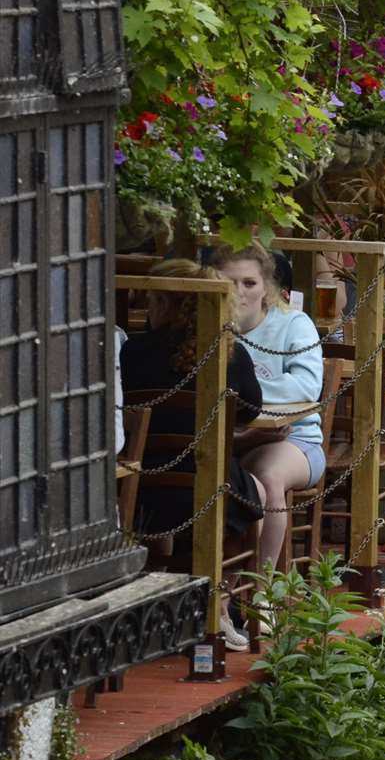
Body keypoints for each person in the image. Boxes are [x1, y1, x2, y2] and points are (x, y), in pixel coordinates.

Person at [123, 259, 267, 650]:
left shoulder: (133, 351)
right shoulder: (227, 350)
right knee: (254, 493)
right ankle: (219, 603)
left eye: (152, 300)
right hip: (208, 485)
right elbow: (252, 408)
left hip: (144, 486)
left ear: (167, 304)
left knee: (235, 489)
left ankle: (154, 602)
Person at [208, 243, 324, 575]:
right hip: (224, 439)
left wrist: (243, 394)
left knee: (267, 478)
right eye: (229, 283)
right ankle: (218, 590)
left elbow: (305, 387)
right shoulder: (205, 323)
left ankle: (263, 591)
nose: (239, 293)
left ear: (266, 287)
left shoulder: (294, 324)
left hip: (291, 439)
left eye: (249, 283)